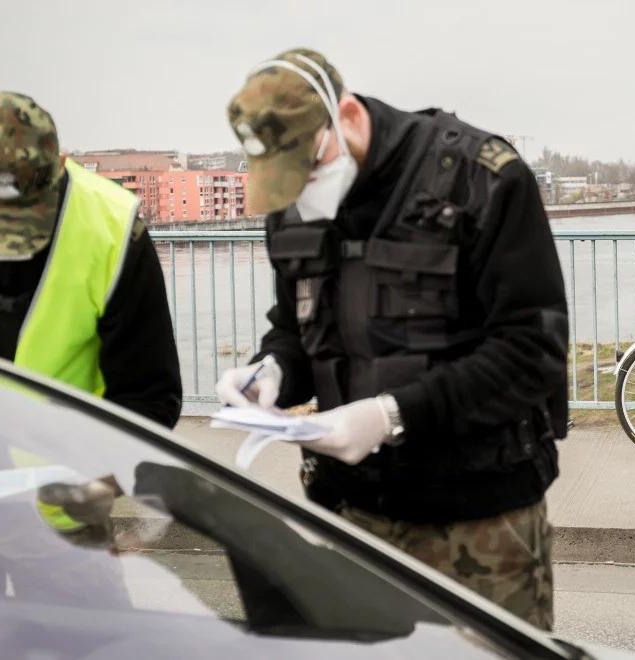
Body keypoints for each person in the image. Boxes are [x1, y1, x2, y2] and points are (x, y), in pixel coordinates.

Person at [214, 49, 568, 630]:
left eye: (308, 167)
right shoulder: (291, 204)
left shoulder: (483, 178)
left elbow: (533, 353)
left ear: (347, 116)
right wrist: (270, 371)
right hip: (353, 514)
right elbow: (297, 327)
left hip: (479, 519)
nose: (301, 190)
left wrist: (391, 415)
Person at [0, 91, 181, 428]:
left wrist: (95, 477)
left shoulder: (114, 230)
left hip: (70, 468)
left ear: (60, 165)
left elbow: (149, 395)